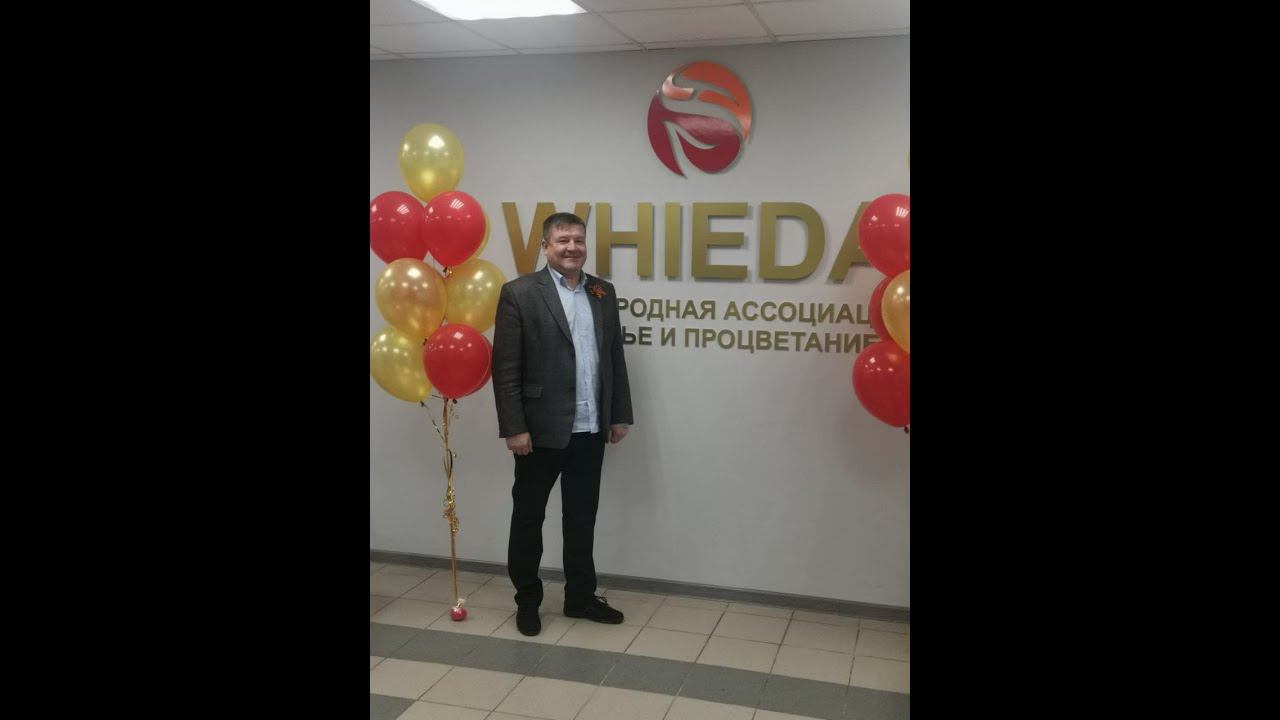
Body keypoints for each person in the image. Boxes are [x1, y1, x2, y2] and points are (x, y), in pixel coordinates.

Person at [491, 212, 633, 636]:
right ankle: (527, 600)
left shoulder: (602, 291)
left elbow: (614, 356)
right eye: (562, 240)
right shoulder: (519, 293)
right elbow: (506, 368)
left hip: (590, 428)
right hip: (539, 432)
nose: (572, 247)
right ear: (545, 246)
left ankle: (580, 598)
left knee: (581, 518)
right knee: (529, 518)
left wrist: (618, 414)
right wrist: (514, 427)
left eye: (578, 239)